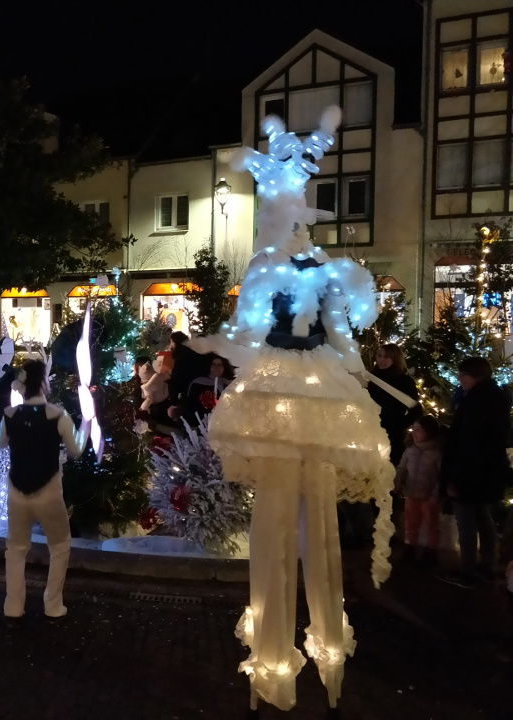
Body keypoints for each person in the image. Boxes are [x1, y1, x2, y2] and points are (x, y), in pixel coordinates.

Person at [187, 107, 398, 712]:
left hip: (283, 385)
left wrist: (216, 344)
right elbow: (342, 335)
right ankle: (316, 654)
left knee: (278, 524)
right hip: (318, 388)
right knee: (310, 521)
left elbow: (251, 336)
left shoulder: (270, 268)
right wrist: (355, 370)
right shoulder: (324, 269)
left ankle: (274, 663)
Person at [0, 358, 90, 622]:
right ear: (45, 384)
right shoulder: (59, 415)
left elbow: (0, 444)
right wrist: (84, 428)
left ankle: (13, 606)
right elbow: (75, 451)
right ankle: (52, 605)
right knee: (60, 546)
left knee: (15, 549)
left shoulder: (9, 414)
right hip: (48, 490)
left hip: (17, 490)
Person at [439, 356, 511, 589]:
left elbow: (468, 444)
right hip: (488, 471)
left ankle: (468, 569)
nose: (460, 380)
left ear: (475, 376)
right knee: (483, 517)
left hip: (470, 472)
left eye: (463, 376)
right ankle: (487, 565)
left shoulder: (475, 403)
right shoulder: (495, 398)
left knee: (466, 521)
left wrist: (455, 478)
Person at [394, 416, 442, 569]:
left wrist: (435, 495)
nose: (414, 433)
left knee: (431, 525)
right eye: (413, 430)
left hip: (429, 497)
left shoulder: (437, 453)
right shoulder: (410, 451)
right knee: (410, 523)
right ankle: (409, 548)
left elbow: (442, 476)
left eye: (418, 430)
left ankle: (431, 553)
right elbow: (402, 469)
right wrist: (398, 482)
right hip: (411, 494)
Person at [368, 343, 420, 465]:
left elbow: (416, 411)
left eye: (386, 357)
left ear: (395, 358)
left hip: (392, 437)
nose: (381, 360)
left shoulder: (404, 381)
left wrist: (398, 425)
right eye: (379, 355)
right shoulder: (370, 379)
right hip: (369, 432)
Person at [167, 331, 211, 424]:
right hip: (203, 391)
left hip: (189, 393)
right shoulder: (200, 353)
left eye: (171, 342)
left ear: (175, 342)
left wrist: (174, 402)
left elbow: (175, 380)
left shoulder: (182, 355)